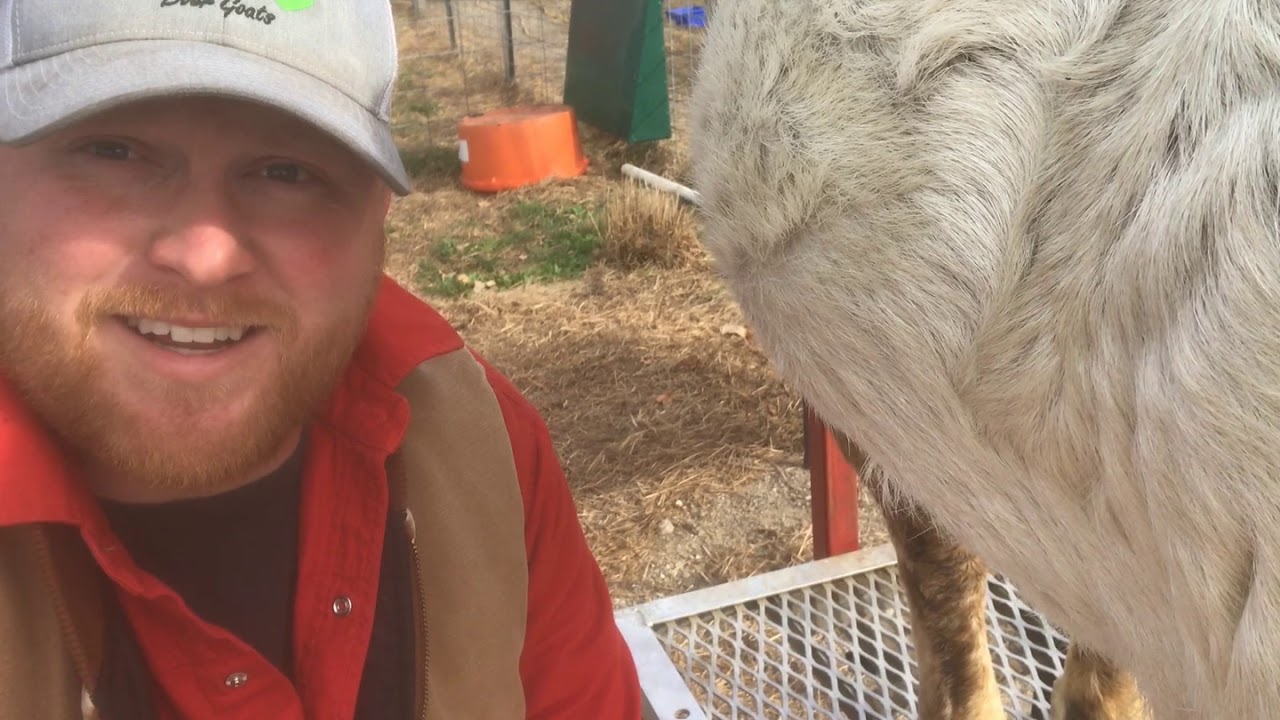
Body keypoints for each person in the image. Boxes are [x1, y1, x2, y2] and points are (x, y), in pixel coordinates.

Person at [0, 2, 643, 719]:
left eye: (286, 172)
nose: (205, 256)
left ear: (379, 216)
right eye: (112, 152)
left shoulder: (475, 442)